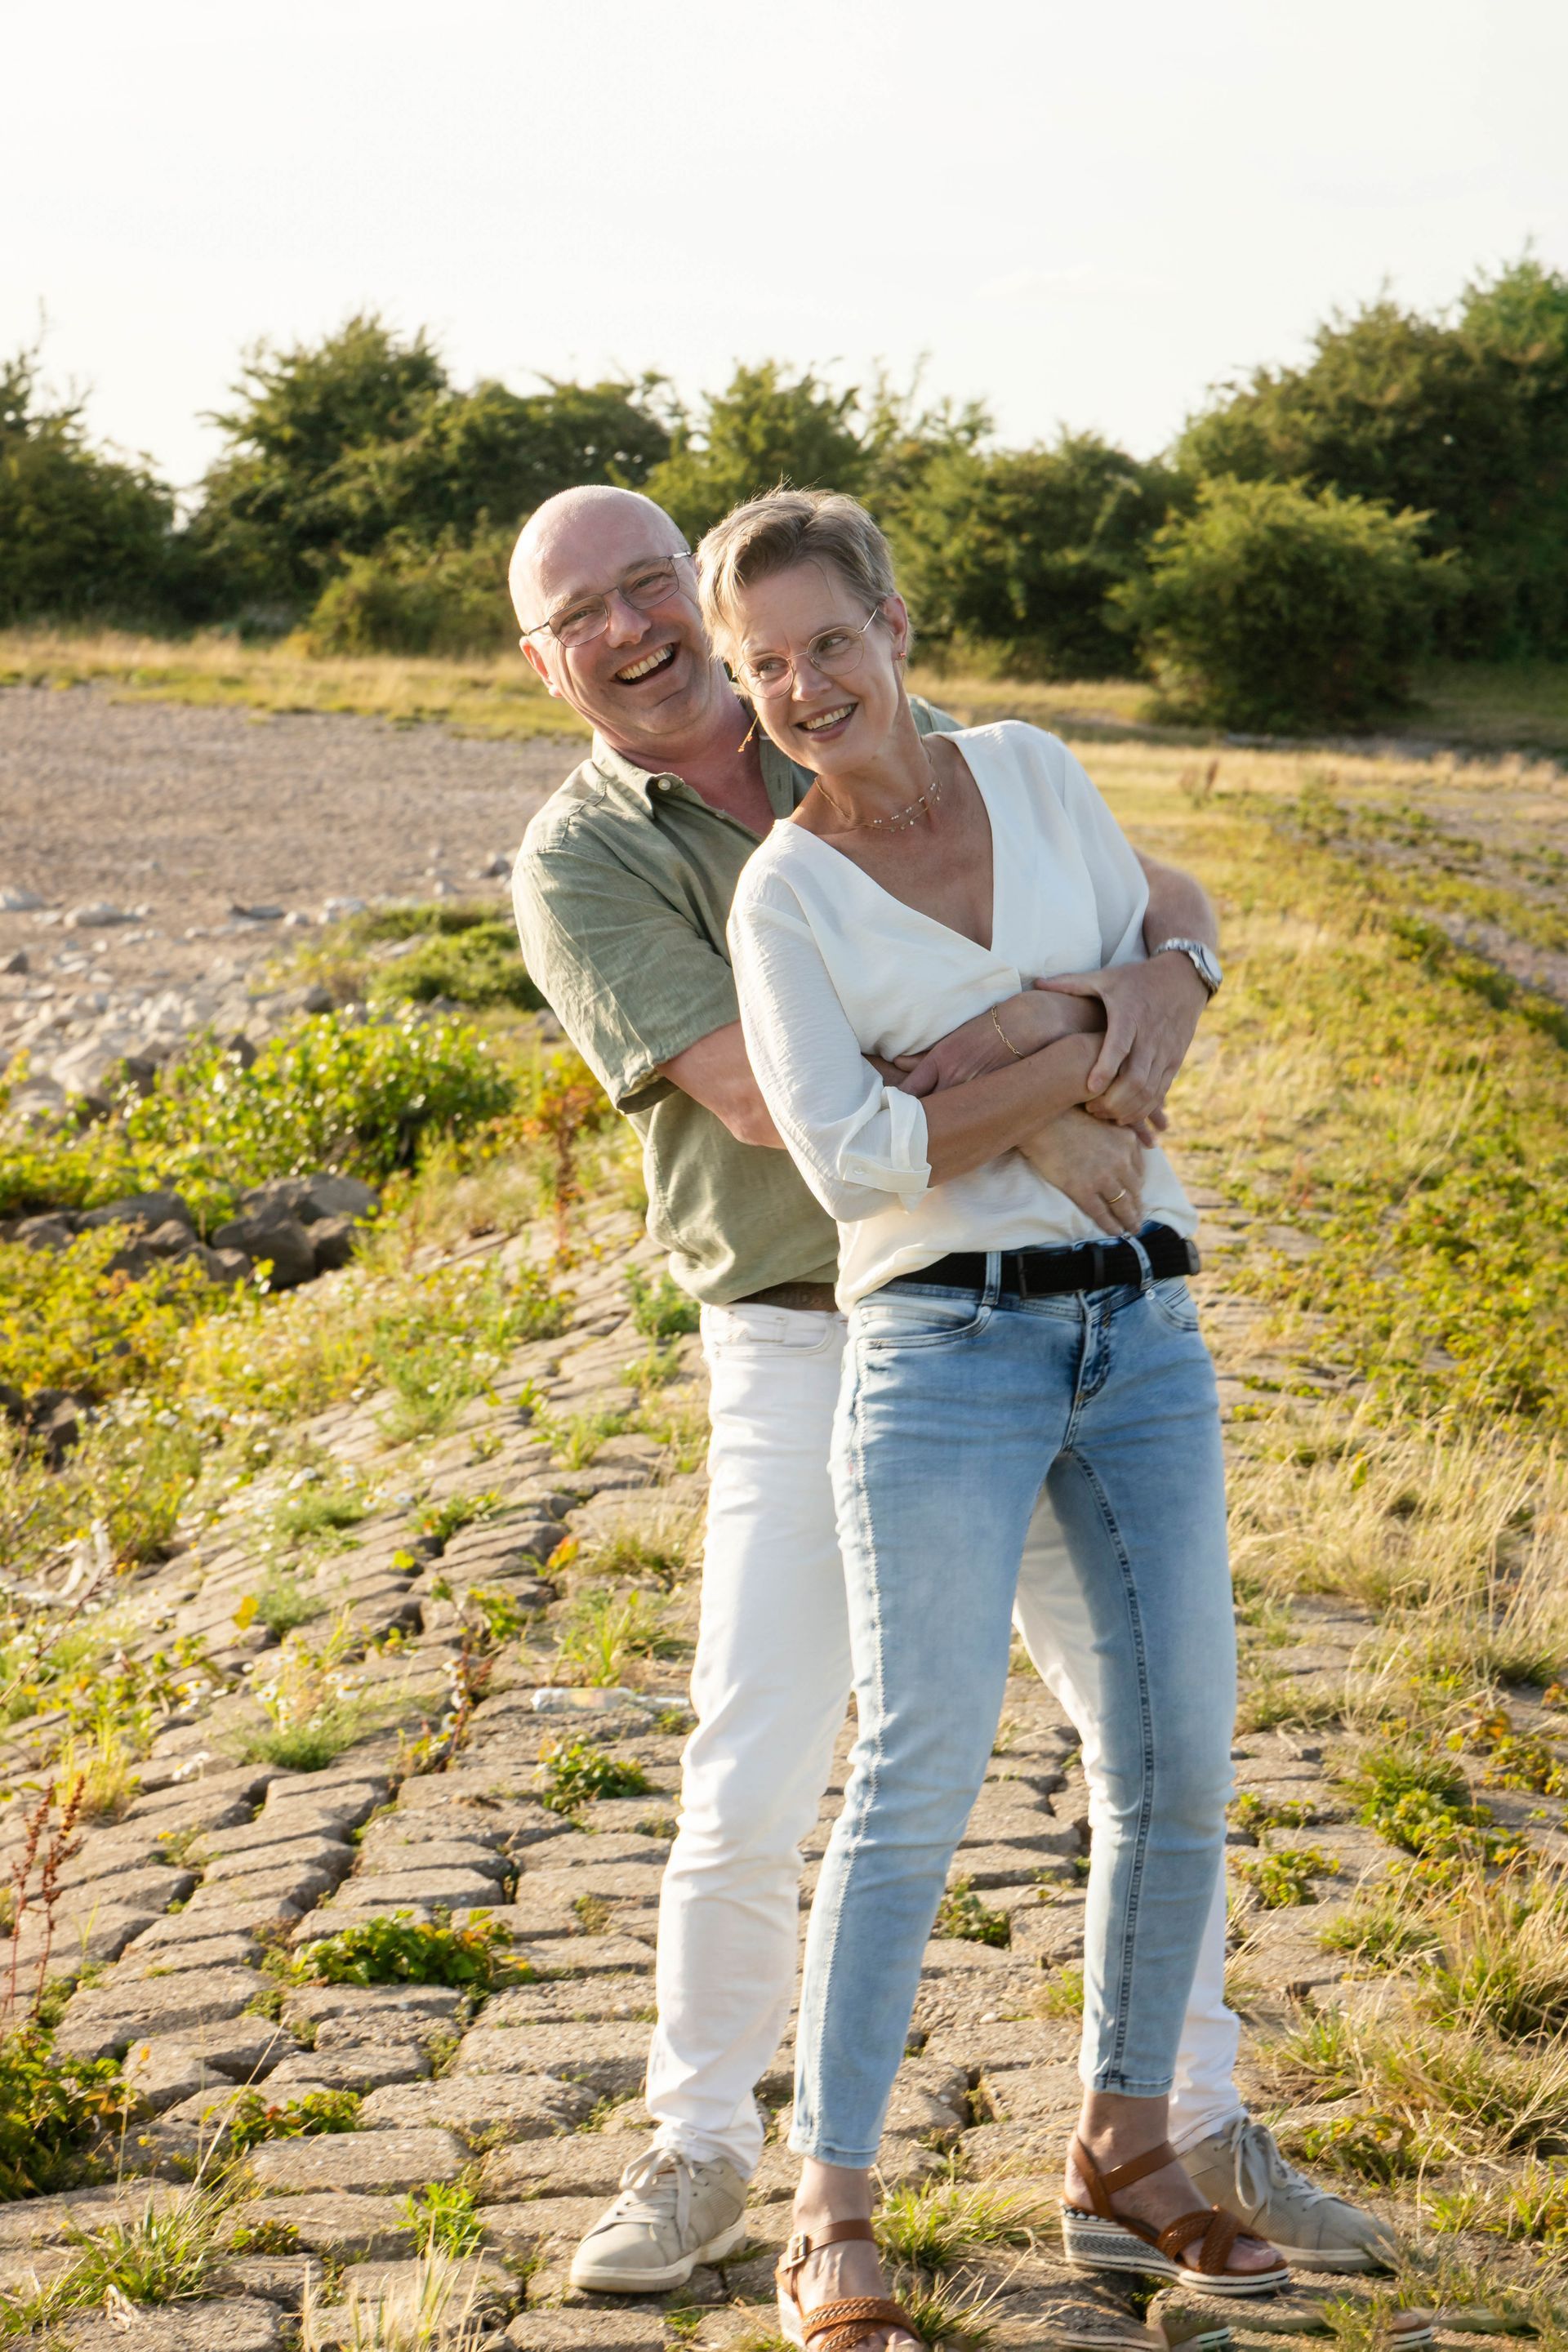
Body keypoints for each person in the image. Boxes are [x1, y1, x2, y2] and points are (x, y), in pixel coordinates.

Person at [507, 483, 1396, 2300]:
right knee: (768, 1750)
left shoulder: (938, 741)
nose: (629, 631)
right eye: (578, 615)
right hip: (814, 1326)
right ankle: (704, 2147)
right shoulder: (597, 856)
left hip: (1070, 1301)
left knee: (1154, 1737)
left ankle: (1178, 2124)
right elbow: (783, 1107)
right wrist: (1077, 1056)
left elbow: (1175, 905)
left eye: (646, 584)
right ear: (546, 664)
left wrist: (1165, 978)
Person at [711, 488, 1289, 2350]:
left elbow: (1166, 958)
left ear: (897, 626)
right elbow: (861, 1158)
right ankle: (835, 2208)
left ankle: (1127, 2147)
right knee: (916, 1777)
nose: (810, 685)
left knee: (1179, 1757)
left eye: (831, 640)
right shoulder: (784, 895)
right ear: (746, 687)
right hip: (943, 1355)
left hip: (1143, 1336)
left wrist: (1071, 1018)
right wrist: (1060, 1077)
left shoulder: (1034, 771)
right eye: (769, 664)